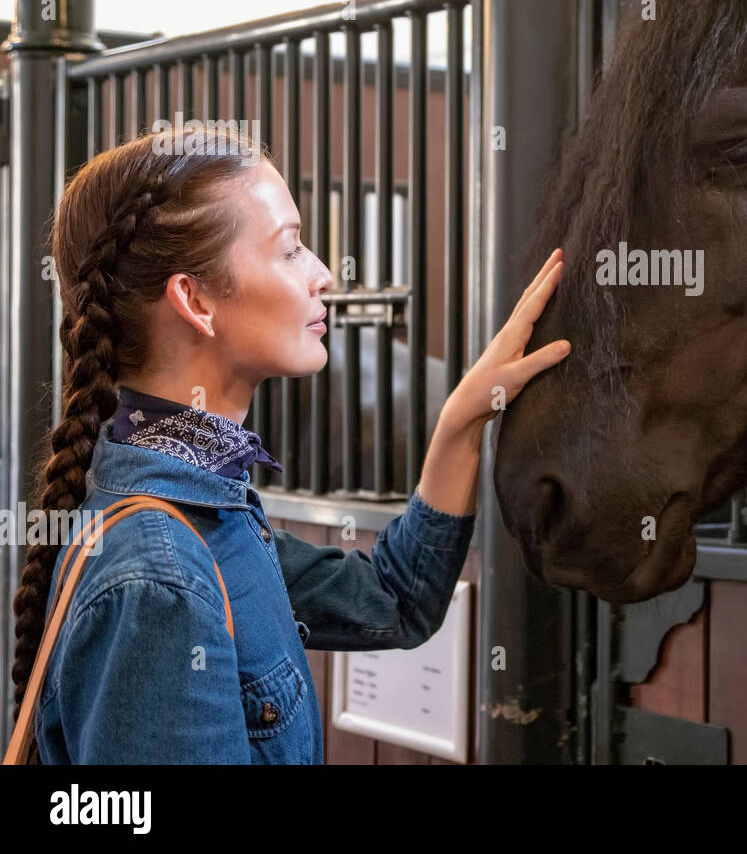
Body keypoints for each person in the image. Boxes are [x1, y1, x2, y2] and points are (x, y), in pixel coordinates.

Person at [8, 125, 570, 764]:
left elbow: (394, 602)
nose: (324, 275)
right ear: (194, 300)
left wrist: (460, 421)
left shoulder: (198, 502)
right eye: (291, 249)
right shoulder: (159, 576)